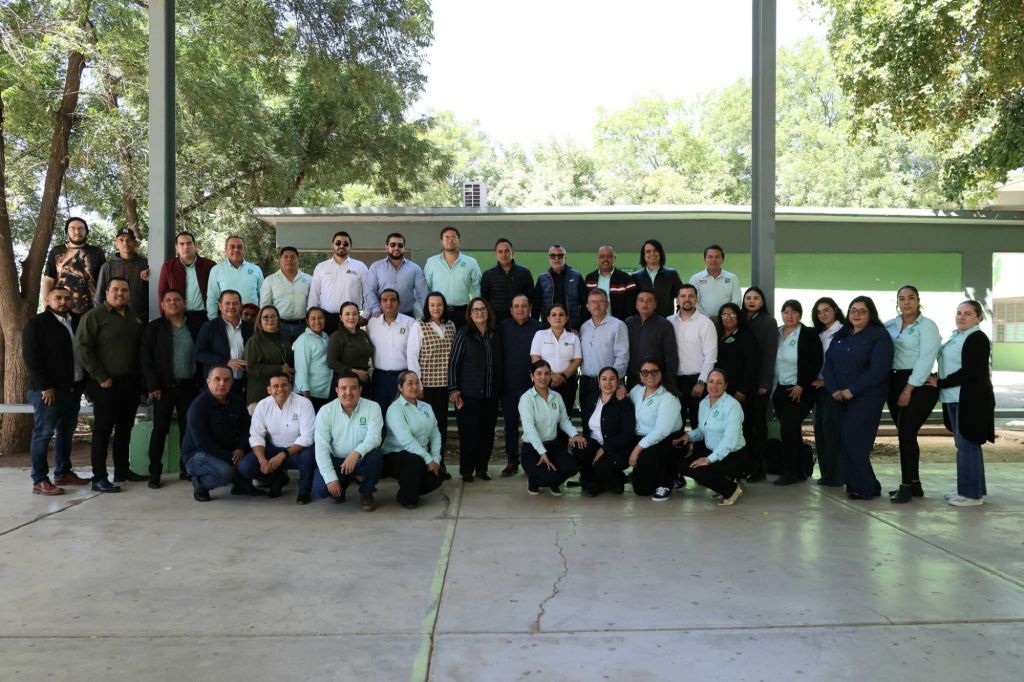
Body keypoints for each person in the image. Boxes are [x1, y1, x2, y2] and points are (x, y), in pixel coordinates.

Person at [74, 277, 146, 492]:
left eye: (124, 290)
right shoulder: (94, 316)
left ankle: (122, 470)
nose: (120, 293)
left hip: (130, 383)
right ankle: (99, 477)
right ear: (106, 293)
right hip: (105, 383)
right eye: (115, 290)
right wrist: (100, 376)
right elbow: (82, 348)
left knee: (125, 428)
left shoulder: (134, 317)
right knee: (103, 431)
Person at [824, 297, 893, 500]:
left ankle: (865, 489)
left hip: (866, 398)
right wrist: (833, 389)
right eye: (853, 310)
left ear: (871, 314)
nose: (856, 314)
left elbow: (878, 370)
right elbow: (829, 364)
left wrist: (852, 390)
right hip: (840, 397)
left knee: (856, 442)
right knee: (845, 441)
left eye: (862, 311)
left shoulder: (879, 336)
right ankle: (862, 484)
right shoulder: (842, 334)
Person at [22, 287, 91, 495]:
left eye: (67, 298)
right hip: (48, 391)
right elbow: (32, 357)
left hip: (73, 389)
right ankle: (39, 480)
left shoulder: (76, 321)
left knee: (66, 432)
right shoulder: (37, 323)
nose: (63, 301)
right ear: (48, 300)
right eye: (58, 298)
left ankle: (63, 472)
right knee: (43, 433)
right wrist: (46, 386)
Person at [929, 300, 994, 507]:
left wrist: (940, 382)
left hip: (970, 399)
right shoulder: (957, 336)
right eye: (959, 313)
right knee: (966, 445)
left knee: (967, 446)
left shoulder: (977, 338)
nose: (962, 317)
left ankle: (971, 496)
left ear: (979, 318)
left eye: (968, 313)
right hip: (953, 397)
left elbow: (970, 372)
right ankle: (973, 489)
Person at [884, 285, 941, 503]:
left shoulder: (927, 326)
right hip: (894, 381)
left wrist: (909, 388)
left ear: (918, 300)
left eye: (911, 298)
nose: (906, 302)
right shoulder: (891, 324)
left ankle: (906, 486)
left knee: (906, 433)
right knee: (906, 433)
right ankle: (915, 484)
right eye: (902, 298)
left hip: (919, 383)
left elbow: (926, 359)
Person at [140, 289, 202, 488]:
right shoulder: (154, 328)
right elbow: (146, 358)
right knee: (160, 430)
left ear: (184, 303)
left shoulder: (194, 325)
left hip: (189, 387)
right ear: (162, 305)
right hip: (163, 388)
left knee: (188, 429)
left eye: (177, 299)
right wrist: (153, 385)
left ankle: (186, 468)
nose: (173, 303)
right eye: (168, 300)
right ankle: (154, 472)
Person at [180, 366, 264, 501]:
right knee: (225, 473)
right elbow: (202, 443)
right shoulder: (198, 407)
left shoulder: (236, 401)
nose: (222, 384)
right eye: (217, 379)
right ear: (208, 382)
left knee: (257, 452)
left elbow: (249, 428)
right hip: (197, 454)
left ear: (232, 382)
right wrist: (230, 458)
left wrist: (241, 449)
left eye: (226, 380)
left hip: (229, 451)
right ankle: (200, 483)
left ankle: (241, 485)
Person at [239, 373, 317, 504]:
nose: (280, 389)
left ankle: (304, 491)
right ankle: (277, 479)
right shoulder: (262, 405)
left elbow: (308, 436)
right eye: (276, 386)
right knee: (246, 466)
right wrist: (262, 460)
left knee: (309, 455)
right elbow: (256, 435)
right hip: (273, 449)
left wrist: (283, 454)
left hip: (297, 450)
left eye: (284, 385)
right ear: (269, 389)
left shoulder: (303, 403)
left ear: (290, 386)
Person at [312, 373, 384, 512]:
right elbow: (321, 448)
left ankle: (366, 492)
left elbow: (375, 438)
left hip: (361, 460)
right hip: (336, 460)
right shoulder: (326, 411)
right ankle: (341, 485)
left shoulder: (373, 407)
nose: (348, 393)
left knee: (375, 457)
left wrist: (357, 452)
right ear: (337, 390)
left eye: (353, 388)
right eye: (343, 388)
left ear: (360, 389)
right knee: (321, 490)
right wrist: (331, 479)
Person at [449, 297, 502, 482]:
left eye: (483, 309)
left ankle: (482, 468)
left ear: (488, 312)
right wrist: (454, 389)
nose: (479, 313)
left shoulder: (495, 334)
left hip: (490, 393)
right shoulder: (463, 334)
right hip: (468, 394)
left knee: (487, 434)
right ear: (470, 314)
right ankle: (467, 470)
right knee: (469, 434)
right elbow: (454, 363)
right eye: (475, 310)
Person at [677, 368, 748, 506]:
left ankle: (731, 490)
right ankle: (724, 484)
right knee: (685, 466)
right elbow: (703, 430)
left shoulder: (732, 406)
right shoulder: (704, 403)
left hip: (734, 456)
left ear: (725, 386)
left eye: (719, 382)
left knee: (698, 468)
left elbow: (730, 439)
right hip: (713, 451)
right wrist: (688, 436)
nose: (714, 386)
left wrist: (708, 460)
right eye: (711, 381)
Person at [771, 299, 823, 486]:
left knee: (789, 428)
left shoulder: (808, 334)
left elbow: (815, 361)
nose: (789, 316)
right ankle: (799, 470)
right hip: (780, 389)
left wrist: (802, 384)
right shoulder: (777, 333)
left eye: (794, 312)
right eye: (786, 312)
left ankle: (790, 472)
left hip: (800, 389)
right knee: (789, 430)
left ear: (800, 315)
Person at [519, 360, 587, 496]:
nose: (543, 377)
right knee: (550, 477)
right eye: (539, 373)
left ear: (551, 376)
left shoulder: (556, 397)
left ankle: (553, 480)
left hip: (554, 446)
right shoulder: (526, 399)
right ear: (532, 376)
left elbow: (564, 421)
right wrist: (542, 452)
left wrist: (575, 435)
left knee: (573, 467)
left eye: (547, 374)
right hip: (533, 449)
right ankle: (534, 480)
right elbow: (529, 430)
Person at [381, 371, 445, 509]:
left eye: (417, 382)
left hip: (420, 455)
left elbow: (435, 434)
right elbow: (406, 440)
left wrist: (435, 458)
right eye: (409, 383)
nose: (415, 387)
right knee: (414, 461)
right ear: (400, 387)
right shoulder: (395, 409)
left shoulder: (426, 407)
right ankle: (408, 498)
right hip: (395, 455)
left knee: (439, 474)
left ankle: (407, 489)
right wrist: (428, 459)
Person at [497, 294, 542, 476]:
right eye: (516, 306)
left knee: (534, 425)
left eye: (524, 305)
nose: (520, 309)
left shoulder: (539, 328)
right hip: (508, 386)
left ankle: (534, 461)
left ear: (530, 308)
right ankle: (512, 461)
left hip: (533, 387)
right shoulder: (502, 327)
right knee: (510, 426)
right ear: (511, 309)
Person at [573, 367, 636, 496]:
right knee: (579, 447)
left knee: (601, 467)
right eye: (604, 379)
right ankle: (593, 480)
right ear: (598, 381)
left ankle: (614, 479)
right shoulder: (591, 399)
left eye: (612, 379)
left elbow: (627, 434)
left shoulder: (624, 402)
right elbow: (586, 428)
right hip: (594, 445)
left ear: (618, 381)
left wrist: (604, 448)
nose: (608, 383)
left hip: (616, 448)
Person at [628, 358, 684, 501]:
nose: (650, 376)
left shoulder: (668, 396)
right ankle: (658, 472)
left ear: (661, 373)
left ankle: (667, 482)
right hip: (643, 438)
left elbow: (661, 431)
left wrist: (636, 450)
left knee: (647, 464)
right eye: (645, 372)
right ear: (640, 375)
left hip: (667, 440)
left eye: (654, 372)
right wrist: (620, 389)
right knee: (641, 489)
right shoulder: (636, 391)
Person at [668, 284, 718, 434]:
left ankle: (699, 449)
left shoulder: (705, 323)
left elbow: (711, 356)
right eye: (683, 296)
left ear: (696, 299)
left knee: (699, 425)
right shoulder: (669, 321)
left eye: (691, 296)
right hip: (674, 381)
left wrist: (701, 382)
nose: (687, 299)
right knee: (675, 424)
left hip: (696, 381)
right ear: (677, 300)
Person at [741, 286, 777, 482]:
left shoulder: (768, 321)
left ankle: (759, 468)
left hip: (759, 383)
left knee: (757, 425)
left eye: (756, 298)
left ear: (762, 302)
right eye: (748, 298)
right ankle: (745, 465)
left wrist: (764, 382)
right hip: (742, 382)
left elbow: (770, 354)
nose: (751, 301)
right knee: (743, 424)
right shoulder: (740, 318)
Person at [810, 297, 846, 487]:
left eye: (826, 310)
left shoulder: (843, 331)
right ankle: (827, 474)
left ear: (835, 310)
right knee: (820, 430)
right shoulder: (819, 333)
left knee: (831, 431)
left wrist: (826, 382)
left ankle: (837, 475)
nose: (822, 315)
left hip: (834, 388)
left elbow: (843, 363)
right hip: (818, 389)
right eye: (819, 312)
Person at [578, 288, 629, 421]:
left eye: (600, 301)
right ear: (587, 306)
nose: (596, 305)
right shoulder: (584, 327)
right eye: (593, 302)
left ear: (607, 304)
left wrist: (616, 382)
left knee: (607, 423)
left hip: (608, 384)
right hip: (586, 383)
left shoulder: (618, 326)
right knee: (587, 422)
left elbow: (622, 357)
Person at [42, 216, 105, 316]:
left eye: (81, 228)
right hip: (61, 309)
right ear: (67, 232)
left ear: (86, 232)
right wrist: (47, 306)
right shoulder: (56, 251)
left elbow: (103, 281)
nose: (77, 231)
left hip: (91, 309)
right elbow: (48, 280)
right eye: (72, 228)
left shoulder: (96, 252)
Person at [308, 231, 368, 335]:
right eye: (338, 243)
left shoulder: (360, 267)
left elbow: (368, 293)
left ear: (350, 247)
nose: (341, 246)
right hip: (326, 319)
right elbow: (314, 294)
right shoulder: (321, 267)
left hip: (351, 319)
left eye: (345, 244)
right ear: (332, 245)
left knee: (350, 346)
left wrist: (366, 315)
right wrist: (311, 317)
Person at [365, 289, 415, 413]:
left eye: (393, 300)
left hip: (402, 377)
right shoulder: (372, 323)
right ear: (380, 304)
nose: (389, 303)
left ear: (399, 303)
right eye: (385, 300)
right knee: (379, 413)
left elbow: (415, 353)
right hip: (379, 378)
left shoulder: (410, 323)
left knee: (402, 414)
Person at [195, 290, 253, 394]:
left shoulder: (249, 328)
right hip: (217, 385)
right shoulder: (209, 327)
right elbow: (199, 353)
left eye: (235, 303)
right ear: (220, 306)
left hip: (242, 384)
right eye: (227, 303)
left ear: (241, 306)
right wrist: (225, 361)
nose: (231, 306)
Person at [423, 226, 481, 330]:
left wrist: (475, 310)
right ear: (441, 241)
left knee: (462, 340)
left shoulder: (471, 262)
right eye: (446, 237)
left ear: (459, 241)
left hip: (463, 313)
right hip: (438, 312)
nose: (450, 240)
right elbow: (426, 288)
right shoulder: (431, 262)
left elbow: (477, 288)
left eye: (453, 237)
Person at [530, 304, 583, 416]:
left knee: (564, 417)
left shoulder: (573, 337)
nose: (557, 317)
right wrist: (551, 375)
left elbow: (578, 360)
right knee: (544, 417)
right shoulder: (540, 335)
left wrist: (563, 377)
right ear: (548, 319)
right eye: (553, 315)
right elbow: (535, 358)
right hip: (544, 382)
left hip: (567, 383)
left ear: (566, 318)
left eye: (561, 315)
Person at [158, 230, 216, 331]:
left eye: (189, 243)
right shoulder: (168, 267)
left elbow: (217, 292)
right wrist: (165, 316)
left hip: (205, 317)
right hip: (178, 317)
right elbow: (162, 293)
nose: (186, 247)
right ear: (176, 247)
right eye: (182, 244)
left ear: (195, 246)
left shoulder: (209, 265)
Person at [364, 232, 427, 319]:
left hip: (407, 316)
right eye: (392, 245)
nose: (396, 248)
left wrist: (427, 314)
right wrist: (376, 309)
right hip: (381, 316)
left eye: (400, 245)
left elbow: (422, 294)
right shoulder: (376, 267)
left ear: (404, 248)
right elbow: (369, 291)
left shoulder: (415, 268)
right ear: (386, 248)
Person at [243, 305, 294, 410]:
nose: (270, 320)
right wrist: (279, 368)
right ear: (259, 320)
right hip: (260, 395)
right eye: (265, 317)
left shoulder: (284, 339)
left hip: (281, 395)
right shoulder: (254, 341)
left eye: (273, 317)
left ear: (278, 320)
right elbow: (251, 367)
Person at [94, 227, 150, 323]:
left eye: (129, 239)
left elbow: (153, 293)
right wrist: (103, 319)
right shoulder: (107, 266)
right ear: (116, 243)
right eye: (121, 240)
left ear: (135, 243)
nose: (125, 243)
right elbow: (99, 297)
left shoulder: (146, 264)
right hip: (112, 320)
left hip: (140, 319)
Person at [625, 290, 678, 389]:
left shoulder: (664, 325)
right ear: (636, 304)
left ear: (655, 304)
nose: (644, 304)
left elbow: (671, 357)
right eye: (641, 300)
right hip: (632, 381)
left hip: (655, 381)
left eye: (649, 301)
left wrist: (669, 384)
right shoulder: (629, 324)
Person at [259, 246, 312, 344]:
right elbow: (265, 306)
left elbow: (313, 304)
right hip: (279, 326)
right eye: (286, 257)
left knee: (302, 352)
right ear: (280, 260)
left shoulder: (309, 280)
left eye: (293, 257)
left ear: (298, 260)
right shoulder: (270, 281)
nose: (289, 259)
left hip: (304, 326)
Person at [205, 235, 264, 319]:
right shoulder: (216, 270)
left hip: (252, 319)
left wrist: (262, 318)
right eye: (232, 247)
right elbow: (212, 298)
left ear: (245, 250)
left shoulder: (255, 269)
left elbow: (262, 296)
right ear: (226, 250)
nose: (236, 250)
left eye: (240, 247)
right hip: (227, 319)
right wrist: (213, 319)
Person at [533, 244, 585, 330]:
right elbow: (536, 306)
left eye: (560, 255)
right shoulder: (542, 278)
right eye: (553, 256)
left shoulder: (576, 276)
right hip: (548, 328)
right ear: (549, 258)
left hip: (572, 327)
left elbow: (584, 304)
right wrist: (535, 328)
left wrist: (581, 327)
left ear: (565, 258)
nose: (556, 258)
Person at [481, 238, 533, 321]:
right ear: (496, 254)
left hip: (519, 320)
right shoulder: (488, 275)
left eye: (507, 251)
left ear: (513, 253)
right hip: (495, 321)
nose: (503, 254)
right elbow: (484, 301)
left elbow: (531, 298)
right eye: (500, 251)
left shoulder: (525, 273)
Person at [292, 307, 334, 412]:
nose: (317, 321)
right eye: (313, 318)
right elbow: (301, 369)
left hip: (323, 392)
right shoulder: (304, 340)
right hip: (308, 394)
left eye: (320, 318)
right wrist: (307, 397)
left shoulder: (326, 337)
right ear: (307, 321)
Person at [326, 301, 374, 391]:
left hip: (364, 381)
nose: (351, 317)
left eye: (355, 314)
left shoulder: (363, 334)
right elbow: (331, 362)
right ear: (341, 317)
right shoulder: (337, 336)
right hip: (345, 382)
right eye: (347, 314)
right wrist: (355, 372)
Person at [583, 244, 637, 322]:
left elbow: (631, 305)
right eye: (602, 256)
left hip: (619, 324)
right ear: (598, 258)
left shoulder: (626, 279)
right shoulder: (590, 278)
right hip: (594, 324)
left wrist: (624, 323)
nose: (605, 259)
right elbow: (585, 303)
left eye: (609, 256)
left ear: (614, 259)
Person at [632, 239, 683, 318]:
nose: (652, 253)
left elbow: (682, 296)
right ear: (643, 255)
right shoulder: (635, 277)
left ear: (660, 253)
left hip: (666, 321)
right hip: (643, 322)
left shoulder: (671, 274)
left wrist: (677, 316)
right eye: (648, 251)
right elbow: (632, 302)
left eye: (655, 250)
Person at [689, 244, 742, 318]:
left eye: (717, 257)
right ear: (704, 260)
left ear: (722, 260)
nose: (714, 260)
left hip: (726, 320)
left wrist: (724, 317)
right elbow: (693, 301)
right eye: (710, 257)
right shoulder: (695, 278)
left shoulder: (732, 278)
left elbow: (737, 301)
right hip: (702, 320)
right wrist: (707, 318)